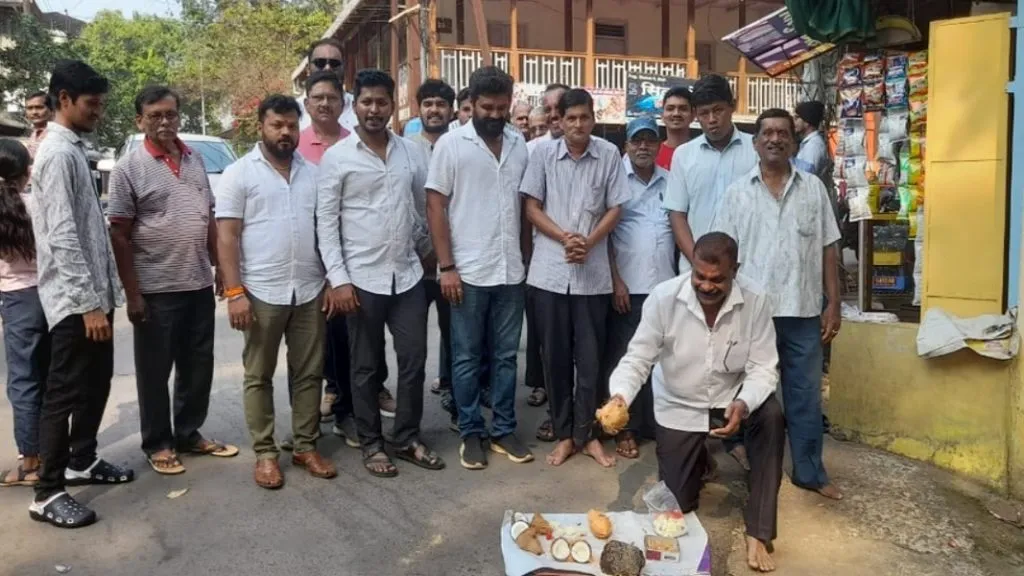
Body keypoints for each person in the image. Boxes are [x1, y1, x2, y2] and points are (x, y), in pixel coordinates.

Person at [604, 232, 785, 573]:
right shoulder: (664, 297)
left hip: (732, 398)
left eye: (717, 279)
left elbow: (764, 368)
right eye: (699, 276)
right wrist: (620, 395)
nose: (706, 286)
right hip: (680, 402)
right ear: (691, 266)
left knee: (772, 415)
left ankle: (759, 531)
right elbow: (638, 358)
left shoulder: (756, 299)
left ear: (735, 271)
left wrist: (744, 402)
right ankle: (698, 458)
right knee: (678, 509)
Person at [318, 69, 444, 478]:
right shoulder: (338, 157)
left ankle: (406, 436)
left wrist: (426, 251)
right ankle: (371, 442)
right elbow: (326, 222)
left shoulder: (410, 153)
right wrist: (339, 280)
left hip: (406, 275)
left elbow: (423, 206)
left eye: (382, 102)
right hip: (360, 280)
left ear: (393, 106)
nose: (374, 109)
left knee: (414, 359)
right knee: (365, 366)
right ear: (355, 105)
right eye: (367, 102)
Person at [714, 108, 844, 502]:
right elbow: (723, 255)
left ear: (793, 141)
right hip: (752, 314)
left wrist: (834, 302)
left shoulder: (813, 189)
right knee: (753, 397)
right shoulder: (737, 193)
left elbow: (829, 248)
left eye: (782, 133)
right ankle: (759, 471)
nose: (774, 139)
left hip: (803, 311)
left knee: (804, 396)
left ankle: (809, 472)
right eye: (767, 133)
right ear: (755, 143)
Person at [108, 85, 238, 476]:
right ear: (140, 121)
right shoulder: (127, 168)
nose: (164, 121)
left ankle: (188, 433)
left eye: (170, 114)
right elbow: (119, 234)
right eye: (155, 116)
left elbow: (208, 216)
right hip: (155, 290)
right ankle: (158, 443)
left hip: (197, 283)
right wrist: (133, 294)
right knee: (154, 372)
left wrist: (219, 267)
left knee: (198, 367)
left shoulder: (195, 159)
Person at [29, 60, 133, 528]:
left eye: (101, 104)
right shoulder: (55, 153)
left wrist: (104, 297)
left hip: (95, 297)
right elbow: (62, 235)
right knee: (64, 392)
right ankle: (47, 492)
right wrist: (88, 303)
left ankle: (82, 459)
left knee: (96, 383)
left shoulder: (75, 149)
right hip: (76, 303)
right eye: (92, 104)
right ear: (65, 99)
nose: (98, 112)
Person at [216, 95, 336, 489]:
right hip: (261, 291)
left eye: (291, 125)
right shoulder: (238, 174)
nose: (285, 132)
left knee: (309, 373)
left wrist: (331, 280)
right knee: (259, 375)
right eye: (277, 125)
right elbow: (227, 237)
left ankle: (305, 446)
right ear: (261, 127)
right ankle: (266, 454)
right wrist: (235, 292)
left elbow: (326, 231)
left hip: (309, 290)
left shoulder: (313, 174)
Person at [426, 66, 532, 470]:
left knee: (506, 357)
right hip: (467, 271)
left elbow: (524, 206)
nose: (495, 114)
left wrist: (526, 258)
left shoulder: (519, 144)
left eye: (502, 107)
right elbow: (435, 205)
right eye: (487, 107)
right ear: (472, 103)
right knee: (467, 357)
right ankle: (471, 430)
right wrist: (447, 267)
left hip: (510, 270)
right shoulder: (452, 145)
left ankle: (504, 429)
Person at [521, 88, 631, 468]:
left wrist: (589, 241)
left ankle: (588, 435)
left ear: (593, 119)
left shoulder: (609, 154)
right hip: (550, 272)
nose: (578, 124)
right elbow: (532, 208)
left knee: (590, 359)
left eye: (585, 117)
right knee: (554, 359)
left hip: (592, 275)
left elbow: (616, 208)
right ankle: (565, 434)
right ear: (560, 121)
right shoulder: (542, 155)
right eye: (571, 118)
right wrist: (565, 238)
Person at [605, 117, 674, 460]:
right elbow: (605, 234)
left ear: (659, 145)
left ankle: (654, 424)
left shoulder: (670, 181)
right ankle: (625, 427)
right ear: (626, 145)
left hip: (665, 286)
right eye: (637, 141)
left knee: (661, 360)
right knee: (627, 357)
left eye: (649, 140)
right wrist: (615, 280)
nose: (643, 146)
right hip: (627, 287)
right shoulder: (615, 180)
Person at [407, 78, 463, 430]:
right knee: (413, 346)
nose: (434, 110)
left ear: (451, 110)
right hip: (414, 264)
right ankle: (410, 424)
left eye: (441, 104)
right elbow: (403, 203)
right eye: (428, 103)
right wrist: (424, 248)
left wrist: (444, 256)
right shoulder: (404, 149)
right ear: (419, 108)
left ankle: (459, 406)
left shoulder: (461, 145)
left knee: (457, 340)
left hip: (453, 264)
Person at [663, 74, 756, 275]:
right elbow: (677, 215)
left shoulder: (756, 149)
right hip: (696, 274)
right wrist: (699, 264)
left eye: (718, 110)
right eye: (704, 113)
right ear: (695, 115)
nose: (712, 120)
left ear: (732, 106)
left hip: (748, 270)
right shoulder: (683, 155)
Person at [0, 139, 46, 488]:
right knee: (50, 377)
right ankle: (51, 450)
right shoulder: (38, 206)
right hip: (49, 296)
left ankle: (30, 462)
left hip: (16, 301)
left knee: (24, 380)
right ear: (28, 172)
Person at [299, 38, 356, 133]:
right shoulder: (292, 111)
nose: (327, 68)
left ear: (344, 68)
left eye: (334, 63)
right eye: (320, 63)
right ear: (308, 69)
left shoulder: (361, 110)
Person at [793, 101, 833, 201]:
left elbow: (806, 176)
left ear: (807, 122)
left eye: (797, 118)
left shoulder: (814, 145)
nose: (794, 122)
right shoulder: (808, 143)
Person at [656, 86, 694, 170]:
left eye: (683, 109)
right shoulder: (653, 153)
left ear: (693, 115)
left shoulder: (701, 153)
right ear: (662, 115)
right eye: (670, 109)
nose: (676, 113)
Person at [526, 83, 569, 157]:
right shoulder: (530, 150)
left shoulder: (589, 146)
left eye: (558, 108)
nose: (553, 115)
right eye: (548, 110)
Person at [24, 91, 53, 158]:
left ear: (51, 110)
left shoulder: (55, 135)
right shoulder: (35, 133)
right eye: (30, 108)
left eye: (39, 107)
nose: (34, 112)